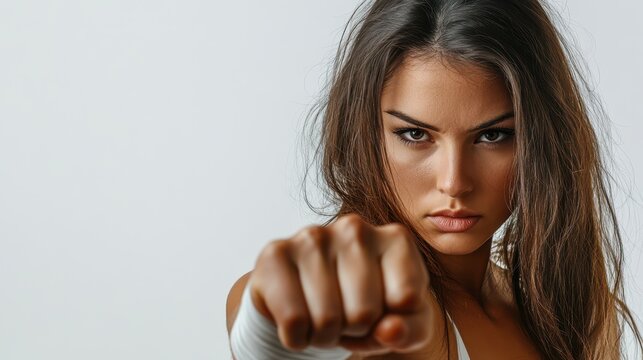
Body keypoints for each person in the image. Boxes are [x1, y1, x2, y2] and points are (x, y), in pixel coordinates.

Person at [226, 0, 643, 359]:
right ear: (366, 131)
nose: (454, 182)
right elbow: (283, 323)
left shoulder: (572, 312)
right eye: (415, 134)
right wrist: (272, 323)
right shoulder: (391, 307)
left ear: (543, 141)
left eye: (493, 135)